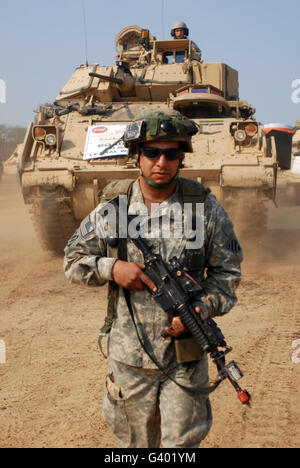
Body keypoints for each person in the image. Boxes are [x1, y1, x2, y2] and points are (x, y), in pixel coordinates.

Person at [64, 108, 243, 448]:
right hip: (129, 358)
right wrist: (110, 268)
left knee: (181, 447)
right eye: (152, 152)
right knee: (135, 446)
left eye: (171, 153)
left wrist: (201, 310)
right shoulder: (113, 209)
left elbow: (227, 272)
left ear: (181, 159)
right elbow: (72, 260)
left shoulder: (201, 207)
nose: (161, 161)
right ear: (138, 156)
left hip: (185, 355)